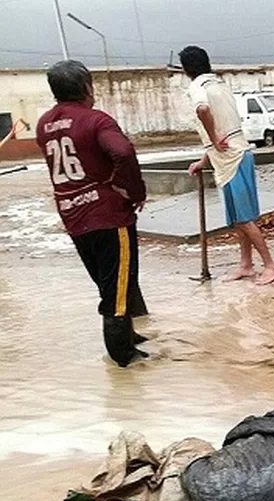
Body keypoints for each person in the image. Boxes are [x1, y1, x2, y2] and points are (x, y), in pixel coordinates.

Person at [36, 60, 150, 368]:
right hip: (108, 214)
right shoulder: (96, 120)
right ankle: (124, 358)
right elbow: (123, 152)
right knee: (118, 285)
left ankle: (128, 337)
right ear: (86, 87)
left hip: (73, 215)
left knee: (108, 280)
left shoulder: (44, 124)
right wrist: (133, 192)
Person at [180, 46, 274, 285]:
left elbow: (203, 110)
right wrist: (204, 160)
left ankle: (270, 265)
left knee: (244, 219)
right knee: (238, 220)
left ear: (186, 69)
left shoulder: (197, 88)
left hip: (232, 158)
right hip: (234, 154)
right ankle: (246, 265)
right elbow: (228, 128)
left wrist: (213, 139)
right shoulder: (220, 84)